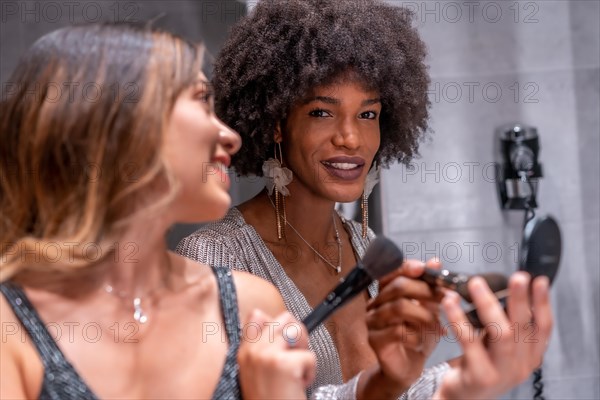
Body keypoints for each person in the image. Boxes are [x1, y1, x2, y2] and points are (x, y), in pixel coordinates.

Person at [176, 0, 553, 398]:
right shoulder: (214, 258)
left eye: (367, 115)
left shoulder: (369, 250)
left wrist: (479, 366)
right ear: (275, 125)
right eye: (322, 112)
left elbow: (391, 392)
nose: (351, 139)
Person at [0, 23, 316, 400]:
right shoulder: (10, 322)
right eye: (201, 100)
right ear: (120, 123)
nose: (230, 137)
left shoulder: (252, 307)